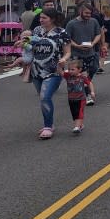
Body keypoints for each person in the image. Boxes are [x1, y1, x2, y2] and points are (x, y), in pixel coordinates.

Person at [30, 8, 71, 140]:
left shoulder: (61, 32)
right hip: (36, 69)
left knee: (45, 97)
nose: (41, 20)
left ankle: (48, 126)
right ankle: (49, 123)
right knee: (43, 99)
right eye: (40, 17)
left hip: (53, 70)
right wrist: (23, 45)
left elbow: (68, 51)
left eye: (44, 18)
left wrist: (64, 59)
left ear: (52, 19)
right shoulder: (37, 31)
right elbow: (30, 46)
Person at [65, 3, 102, 105]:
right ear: (80, 11)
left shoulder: (94, 21)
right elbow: (67, 39)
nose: (88, 15)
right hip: (77, 54)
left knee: (94, 68)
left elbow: (98, 34)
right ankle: (88, 95)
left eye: (90, 13)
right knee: (84, 74)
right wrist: (77, 46)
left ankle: (83, 85)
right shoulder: (71, 24)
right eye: (86, 13)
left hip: (91, 52)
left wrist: (93, 43)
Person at [62, 60, 90, 134]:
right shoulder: (68, 76)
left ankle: (77, 127)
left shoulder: (82, 77)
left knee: (79, 112)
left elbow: (89, 83)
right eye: (69, 69)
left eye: (72, 69)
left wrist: (92, 92)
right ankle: (80, 125)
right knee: (74, 113)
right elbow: (60, 73)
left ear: (79, 69)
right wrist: (59, 66)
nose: (70, 71)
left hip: (81, 98)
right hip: (71, 99)